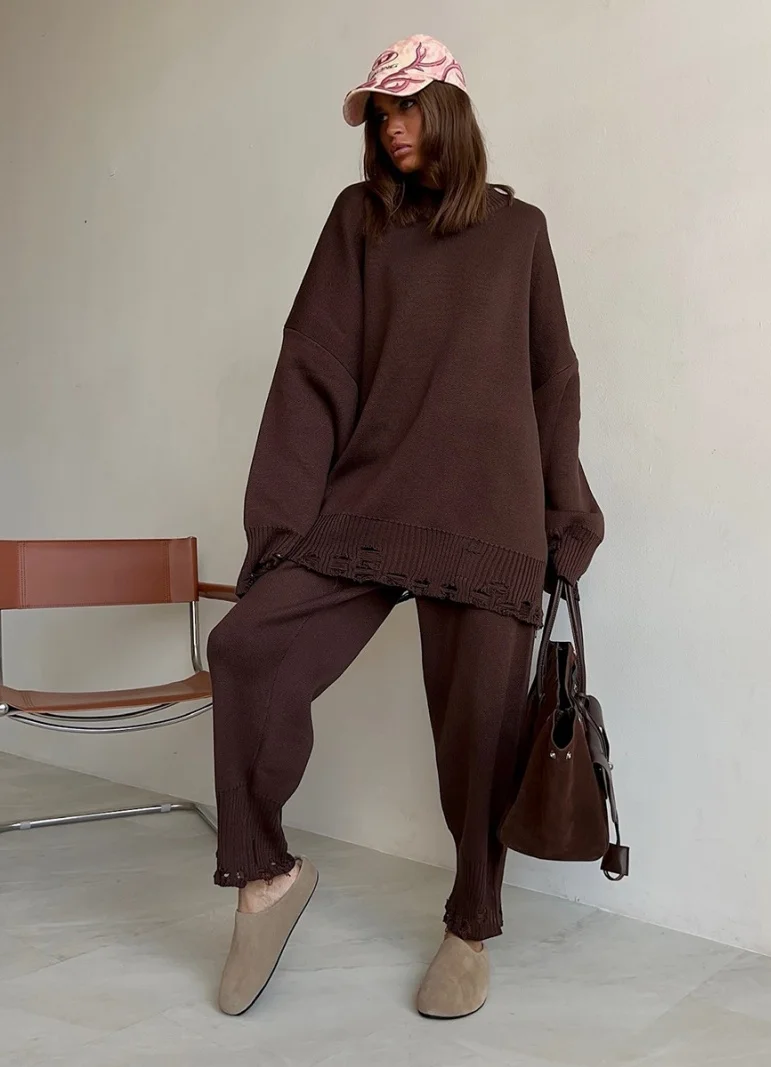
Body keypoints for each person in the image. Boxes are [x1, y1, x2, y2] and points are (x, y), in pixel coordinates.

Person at [208, 33, 604, 1020]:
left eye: (408, 106)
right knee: (247, 647)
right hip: (374, 504)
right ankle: (264, 875)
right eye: (381, 113)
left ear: (451, 111)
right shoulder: (360, 221)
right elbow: (311, 369)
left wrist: (567, 520)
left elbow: (552, 380)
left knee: (479, 735)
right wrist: (277, 534)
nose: (391, 128)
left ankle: (470, 925)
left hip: (489, 517)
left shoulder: (520, 233)